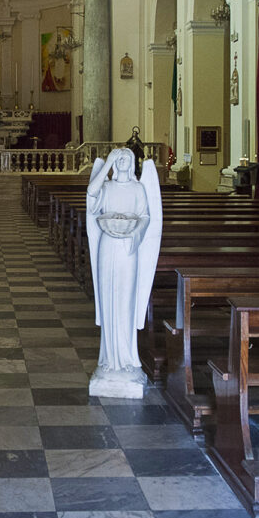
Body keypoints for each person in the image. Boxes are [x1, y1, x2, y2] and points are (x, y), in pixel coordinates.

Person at [85, 147, 162, 394]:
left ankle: (128, 358)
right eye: (119, 159)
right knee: (108, 299)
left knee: (126, 301)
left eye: (127, 158)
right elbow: (91, 192)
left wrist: (134, 232)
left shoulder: (138, 189)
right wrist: (107, 162)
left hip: (129, 248)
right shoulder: (106, 188)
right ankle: (108, 359)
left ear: (133, 163)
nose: (123, 162)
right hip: (107, 247)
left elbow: (146, 217)